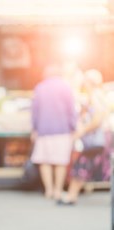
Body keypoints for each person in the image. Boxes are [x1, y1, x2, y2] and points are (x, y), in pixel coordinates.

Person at [58, 69, 110, 205]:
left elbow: (97, 118)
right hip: (101, 137)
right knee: (87, 166)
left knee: (81, 165)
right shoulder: (99, 95)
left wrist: (83, 130)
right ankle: (71, 195)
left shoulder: (95, 96)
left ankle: (71, 196)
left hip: (96, 138)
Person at [31, 63, 77, 200]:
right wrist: (73, 127)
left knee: (44, 161)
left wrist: (34, 128)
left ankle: (49, 190)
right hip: (62, 129)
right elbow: (72, 109)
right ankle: (58, 190)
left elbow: (35, 111)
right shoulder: (66, 87)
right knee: (60, 161)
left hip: (44, 129)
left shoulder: (39, 88)